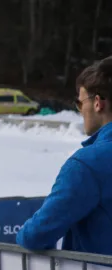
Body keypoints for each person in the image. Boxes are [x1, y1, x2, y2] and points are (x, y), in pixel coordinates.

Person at [17, 57, 112, 256]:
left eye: (80, 103)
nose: (80, 111)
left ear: (97, 103)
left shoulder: (87, 165)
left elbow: (35, 235)